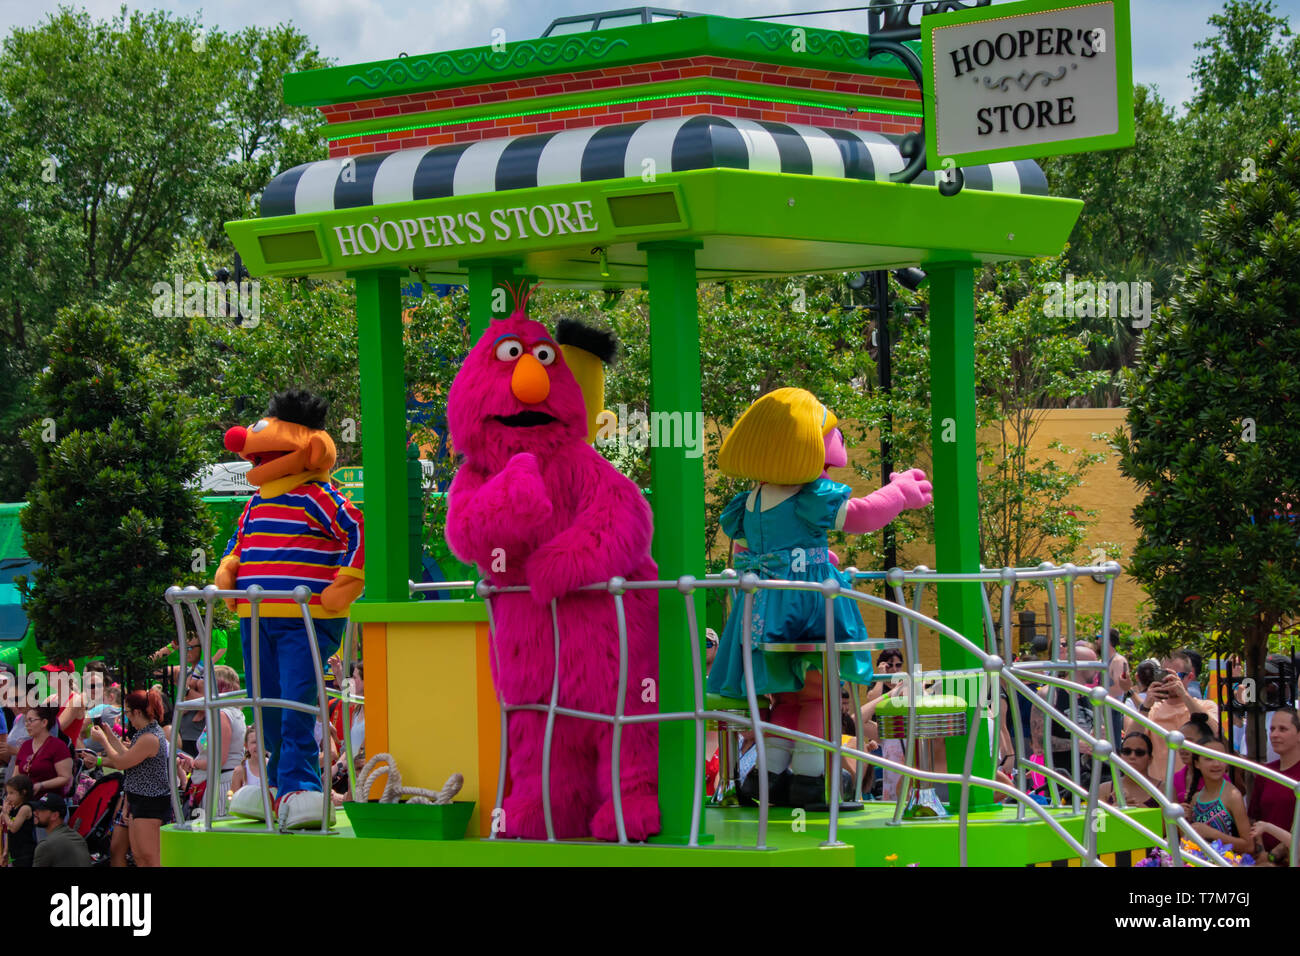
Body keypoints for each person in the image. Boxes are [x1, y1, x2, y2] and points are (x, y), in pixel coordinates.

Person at [707, 387, 932, 807]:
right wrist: (899, 492)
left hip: (763, 608)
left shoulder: (750, 501)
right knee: (817, 692)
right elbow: (862, 516)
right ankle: (810, 778)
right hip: (806, 603)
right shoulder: (810, 495)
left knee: (785, 696)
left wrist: (803, 556)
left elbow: (747, 553)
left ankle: (768, 775)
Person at [90, 689, 169, 867]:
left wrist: (103, 741)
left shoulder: (150, 737)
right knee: (139, 856)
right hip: (137, 800)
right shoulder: (143, 733)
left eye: (127, 712)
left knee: (150, 857)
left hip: (150, 802)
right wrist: (110, 736)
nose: (127, 717)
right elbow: (130, 756)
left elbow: (121, 763)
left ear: (137, 712)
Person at [1124, 655, 1219, 783]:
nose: (1168, 680)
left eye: (1176, 675)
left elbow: (1214, 732)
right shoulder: (1151, 710)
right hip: (1160, 790)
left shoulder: (1205, 706)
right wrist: (1146, 705)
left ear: (1190, 677)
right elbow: (1130, 741)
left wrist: (1184, 695)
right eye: (1163, 674)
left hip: (1195, 788)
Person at [179, 666, 246, 817]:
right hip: (220, 782)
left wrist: (194, 763)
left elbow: (218, 761)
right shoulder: (235, 713)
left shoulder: (223, 715)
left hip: (219, 786)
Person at [1247, 706, 1300, 865]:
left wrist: (1277, 853)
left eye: (1282, 729)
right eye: (1272, 729)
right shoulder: (1266, 772)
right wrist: (1262, 852)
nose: (1274, 735)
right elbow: (1255, 818)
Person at [1183, 736, 1251, 855]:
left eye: (1220, 758)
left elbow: (1249, 846)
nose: (1216, 764)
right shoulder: (1196, 798)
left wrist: (1212, 834)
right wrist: (1184, 820)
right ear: (1197, 763)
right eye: (1209, 758)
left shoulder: (1232, 796)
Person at [15, 706, 73, 801]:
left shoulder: (58, 746)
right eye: (26, 721)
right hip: (25, 802)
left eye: (31, 720)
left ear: (44, 722)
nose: (27, 724)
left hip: (48, 803)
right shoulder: (25, 746)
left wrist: (41, 785)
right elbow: (16, 776)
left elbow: (65, 777)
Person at [1099, 731, 1159, 808]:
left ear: (1150, 759)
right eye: (1127, 752)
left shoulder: (1163, 789)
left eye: (1139, 752)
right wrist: (1114, 809)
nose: (1132, 756)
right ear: (1120, 756)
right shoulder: (1104, 789)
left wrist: (1140, 808)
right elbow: (1097, 819)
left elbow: (1170, 819)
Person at [30, 793, 90, 867]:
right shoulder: (78, 837)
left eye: (40, 810)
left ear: (54, 815)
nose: (35, 813)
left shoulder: (45, 845)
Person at [3, 774, 35, 867]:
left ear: (23, 792)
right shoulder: (14, 808)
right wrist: (6, 850)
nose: (8, 797)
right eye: (7, 793)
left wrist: (5, 814)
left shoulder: (25, 808)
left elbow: (13, 828)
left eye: (11, 793)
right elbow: (9, 831)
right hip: (14, 851)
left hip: (25, 852)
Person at [230, 726, 264, 793]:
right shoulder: (239, 771)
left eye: (262, 741)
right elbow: (234, 801)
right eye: (254, 742)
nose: (259, 745)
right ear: (246, 746)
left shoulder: (273, 767)